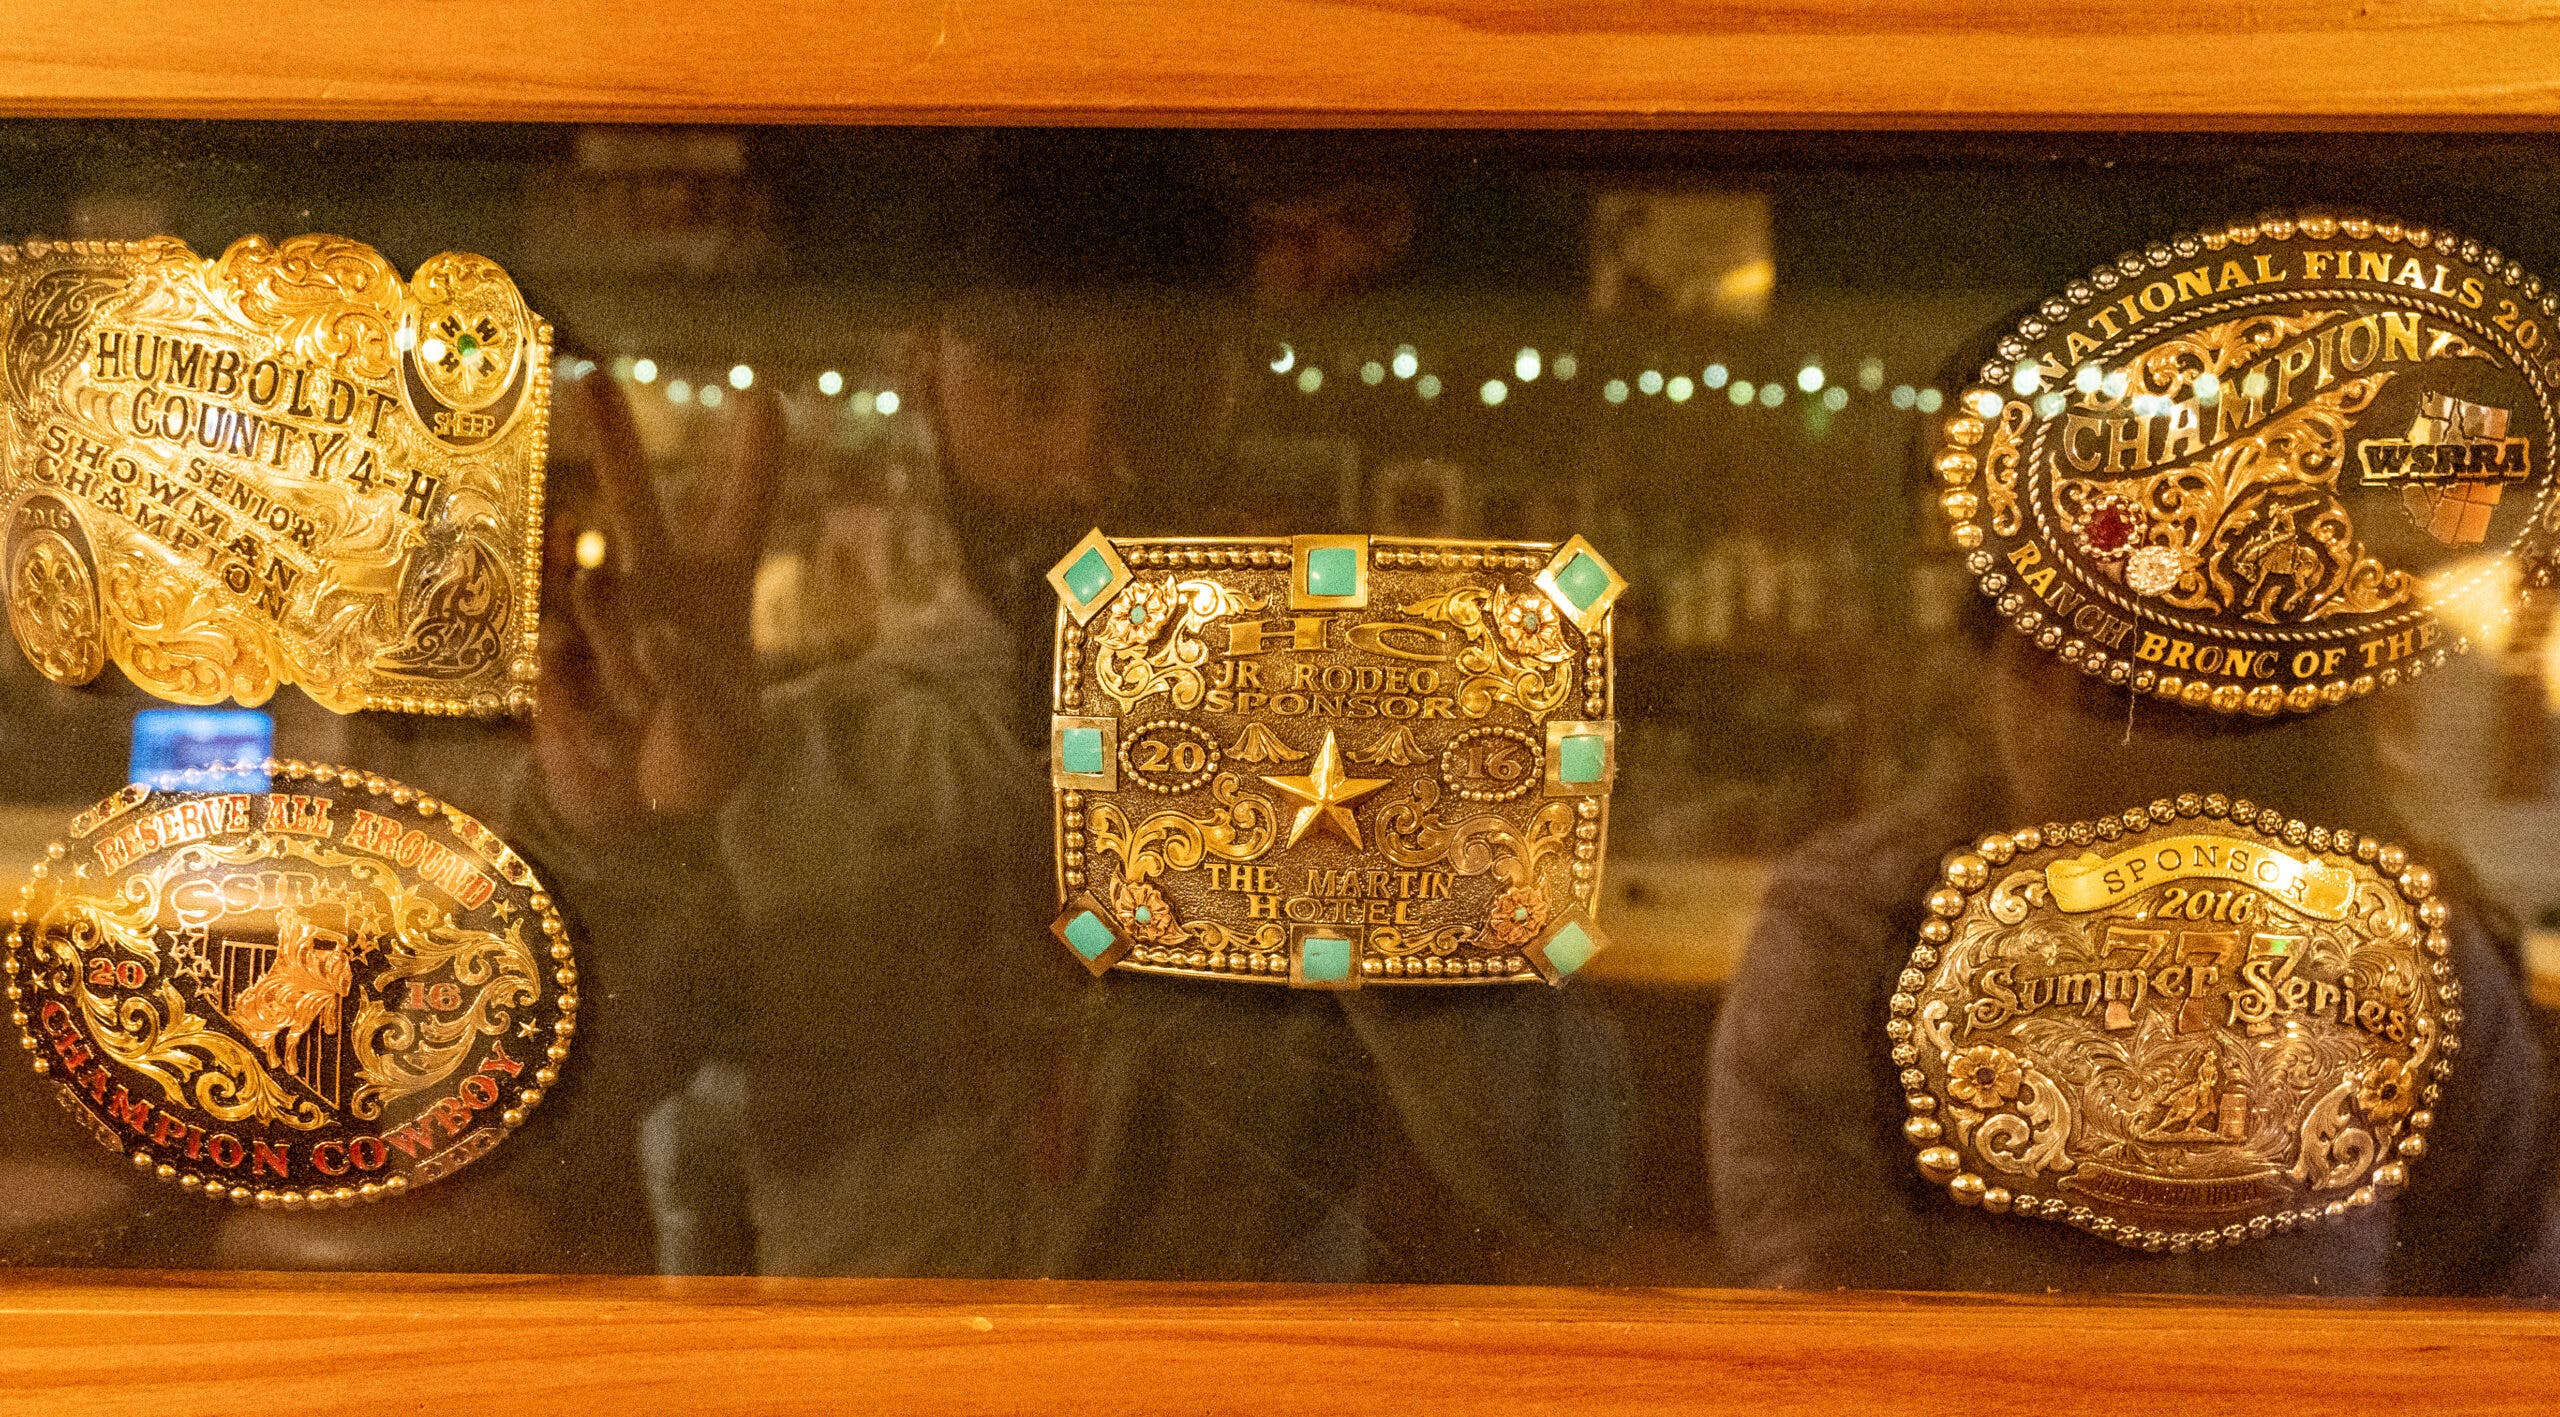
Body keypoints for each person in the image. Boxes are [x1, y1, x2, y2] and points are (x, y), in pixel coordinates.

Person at [1707, 622, 2560, 1295]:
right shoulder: (1859, 919)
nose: (2063, 696)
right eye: (2038, 645)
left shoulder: (2408, 934)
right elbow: (1816, 1278)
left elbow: (2498, 1287)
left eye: (2123, 665)